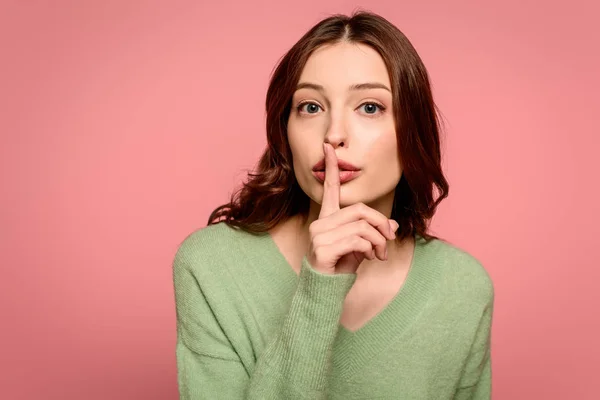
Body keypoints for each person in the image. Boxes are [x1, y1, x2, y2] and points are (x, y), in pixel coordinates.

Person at [173, 10, 494, 400]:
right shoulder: (211, 266)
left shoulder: (462, 287)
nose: (335, 134)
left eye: (370, 107)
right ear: (284, 132)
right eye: (310, 107)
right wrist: (319, 290)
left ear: (413, 131)